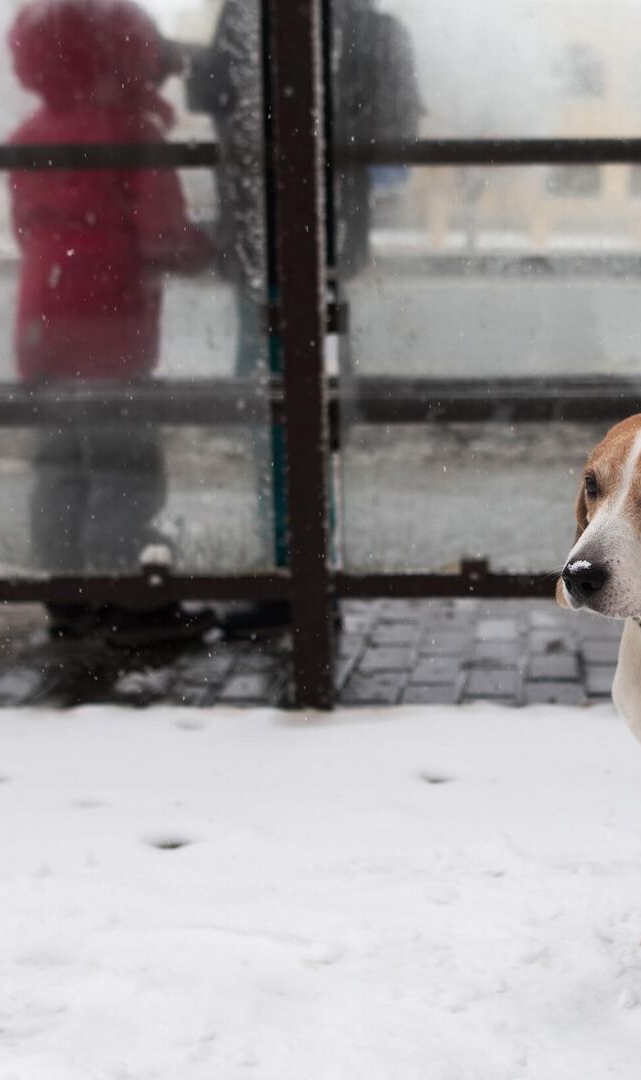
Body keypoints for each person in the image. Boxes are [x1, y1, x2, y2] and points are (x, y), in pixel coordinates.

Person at [186, 0, 420, 636]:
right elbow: (398, 130)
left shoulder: (250, 14)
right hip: (327, 248)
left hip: (263, 248)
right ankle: (311, 568)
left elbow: (205, 91)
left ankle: (294, 573)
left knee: (277, 415)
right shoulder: (373, 28)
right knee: (310, 414)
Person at [8, 0, 218, 646]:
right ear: (125, 57)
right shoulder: (133, 136)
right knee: (123, 472)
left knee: (60, 469)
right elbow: (162, 240)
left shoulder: (30, 135)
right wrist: (208, 247)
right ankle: (124, 601)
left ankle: (67, 599)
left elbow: (25, 229)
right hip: (112, 332)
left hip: (42, 326)